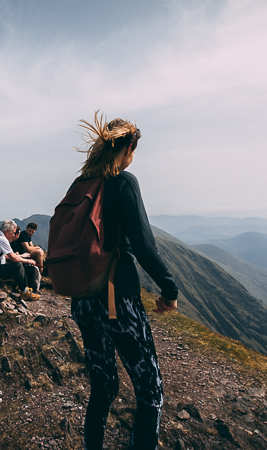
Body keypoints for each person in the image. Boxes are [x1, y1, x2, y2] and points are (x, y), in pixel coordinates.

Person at [70, 112, 179, 449]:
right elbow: (144, 246)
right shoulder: (123, 182)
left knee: (103, 389)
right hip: (118, 302)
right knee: (150, 392)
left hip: (83, 301)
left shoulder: (80, 185)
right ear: (128, 148)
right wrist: (169, 289)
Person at [0, 220, 40, 299]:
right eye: (13, 232)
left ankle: (20, 286)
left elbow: (6, 256)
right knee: (18, 265)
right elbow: (14, 258)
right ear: (8, 231)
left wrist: (20, 256)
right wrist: (28, 260)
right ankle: (25, 292)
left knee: (16, 263)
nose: (13, 235)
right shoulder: (2, 239)